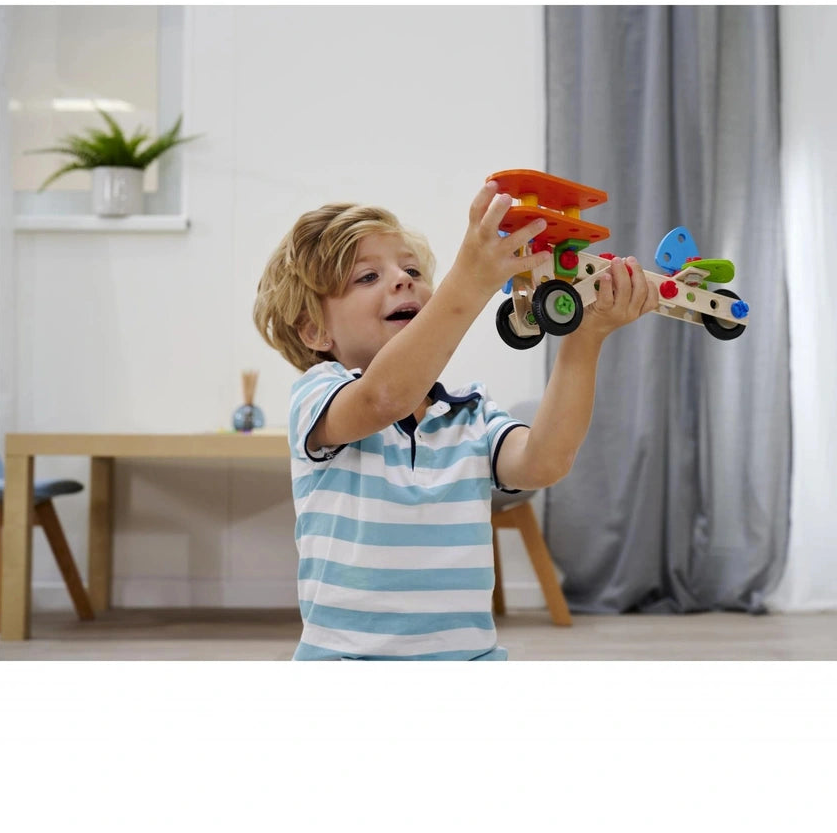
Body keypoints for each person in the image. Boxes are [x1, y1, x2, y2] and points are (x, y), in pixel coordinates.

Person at [253, 179, 660, 660]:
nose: (403, 280)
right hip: (346, 661)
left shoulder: (470, 411)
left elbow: (543, 463)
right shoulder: (317, 396)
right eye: (367, 278)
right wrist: (469, 281)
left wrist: (584, 339)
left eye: (411, 269)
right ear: (316, 331)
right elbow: (383, 397)